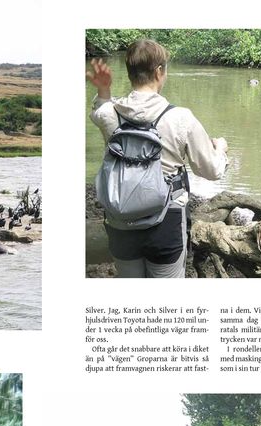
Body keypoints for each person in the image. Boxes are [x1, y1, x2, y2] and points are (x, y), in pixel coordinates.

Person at [87, 39, 228, 278]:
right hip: (165, 221)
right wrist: (221, 149)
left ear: (130, 73)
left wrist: (104, 91)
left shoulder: (109, 114)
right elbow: (212, 171)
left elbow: (99, 111)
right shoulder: (180, 118)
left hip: (120, 220)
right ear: (159, 71)